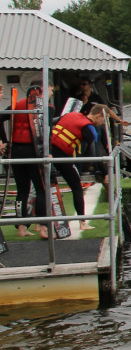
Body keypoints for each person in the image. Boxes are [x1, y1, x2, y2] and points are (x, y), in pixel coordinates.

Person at [0, 82, 49, 238]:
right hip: (33, 150)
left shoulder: (17, 105)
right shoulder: (44, 107)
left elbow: (0, 117)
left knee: (22, 190)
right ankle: (43, 227)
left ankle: (21, 227)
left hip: (16, 150)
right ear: (39, 94)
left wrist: (4, 140)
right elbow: (49, 129)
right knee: (40, 189)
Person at [48, 103, 107, 232]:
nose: (102, 123)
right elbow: (94, 155)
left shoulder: (71, 114)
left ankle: (38, 225)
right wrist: (105, 172)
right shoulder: (89, 128)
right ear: (98, 116)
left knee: (41, 188)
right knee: (76, 187)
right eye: (103, 120)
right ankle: (82, 222)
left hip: (47, 152)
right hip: (61, 157)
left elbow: (50, 122)